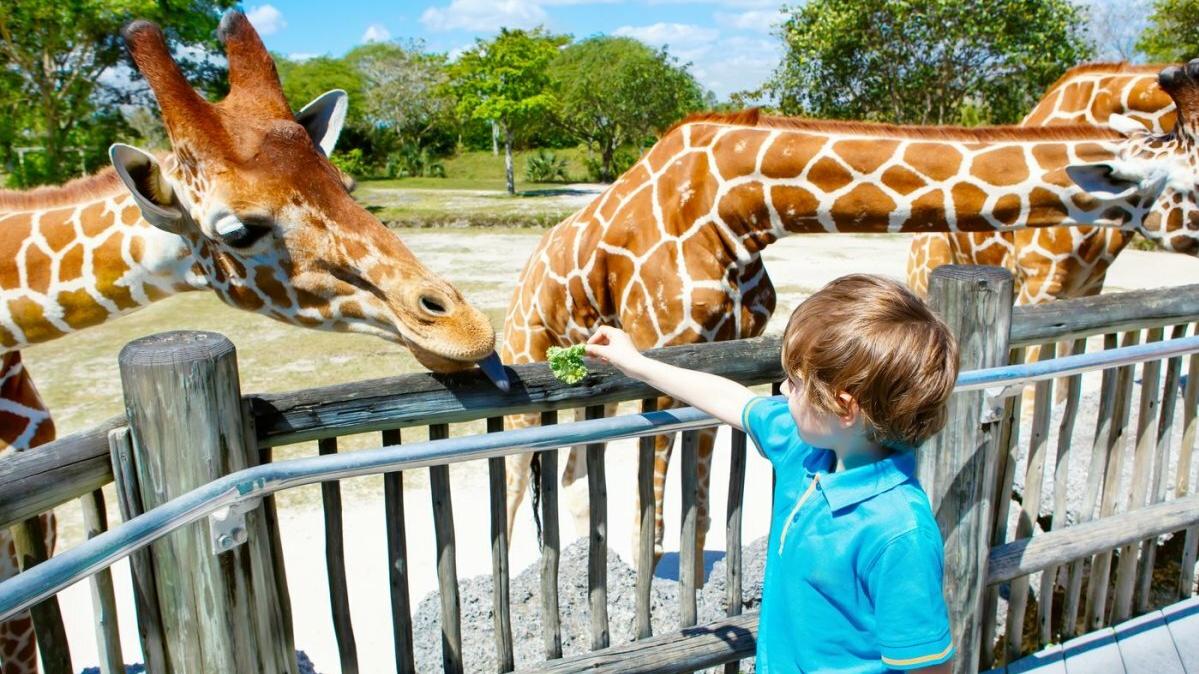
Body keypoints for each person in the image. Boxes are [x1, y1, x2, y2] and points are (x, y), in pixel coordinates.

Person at [586, 274, 959, 673]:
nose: (782, 390)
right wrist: (637, 364)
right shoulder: (809, 448)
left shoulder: (899, 532)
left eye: (796, 384)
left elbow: (927, 667)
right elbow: (733, 400)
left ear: (844, 408)